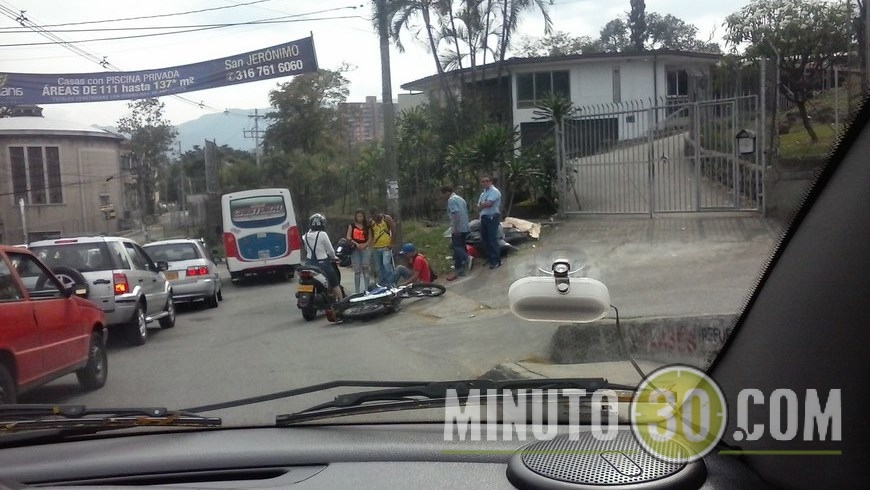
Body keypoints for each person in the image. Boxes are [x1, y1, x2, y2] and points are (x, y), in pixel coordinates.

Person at [302, 213, 343, 300]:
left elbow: (306, 249)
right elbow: (331, 250)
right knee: (334, 282)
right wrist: (334, 257)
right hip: (323, 264)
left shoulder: (305, 236)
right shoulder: (323, 234)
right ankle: (341, 301)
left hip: (309, 263)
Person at [440, 185, 470, 281]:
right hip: (465, 226)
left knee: (456, 246)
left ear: (447, 192)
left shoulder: (451, 200)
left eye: (443, 194)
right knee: (461, 246)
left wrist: (456, 228)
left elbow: (456, 214)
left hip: (458, 227)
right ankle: (459, 270)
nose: (443, 197)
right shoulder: (460, 199)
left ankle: (467, 257)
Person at [477, 174, 502, 269]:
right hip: (484, 218)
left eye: (487, 181)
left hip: (492, 217)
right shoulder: (483, 194)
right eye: (483, 181)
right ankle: (491, 259)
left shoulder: (494, 191)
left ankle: (496, 261)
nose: (485, 183)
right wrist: (483, 204)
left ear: (491, 182)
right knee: (485, 239)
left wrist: (483, 204)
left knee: (492, 239)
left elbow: (489, 204)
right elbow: (479, 206)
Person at [345, 209, 372, 294]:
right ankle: (357, 291)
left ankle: (367, 289)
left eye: (361, 216)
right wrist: (356, 244)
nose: (359, 218)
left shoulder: (367, 226)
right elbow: (348, 236)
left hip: (365, 248)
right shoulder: (352, 225)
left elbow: (370, 238)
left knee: (365, 269)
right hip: (355, 248)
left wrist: (365, 245)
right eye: (358, 216)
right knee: (357, 271)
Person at [369, 207, 396, 285]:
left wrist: (391, 243)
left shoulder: (386, 218)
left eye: (376, 214)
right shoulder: (371, 222)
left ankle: (391, 282)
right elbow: (371, 234)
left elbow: (393, 230)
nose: (375, 217)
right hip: (376, 247)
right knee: (378, 268)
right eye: (373, 215)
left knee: (386, 264)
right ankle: (382, 284)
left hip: (386, 246)